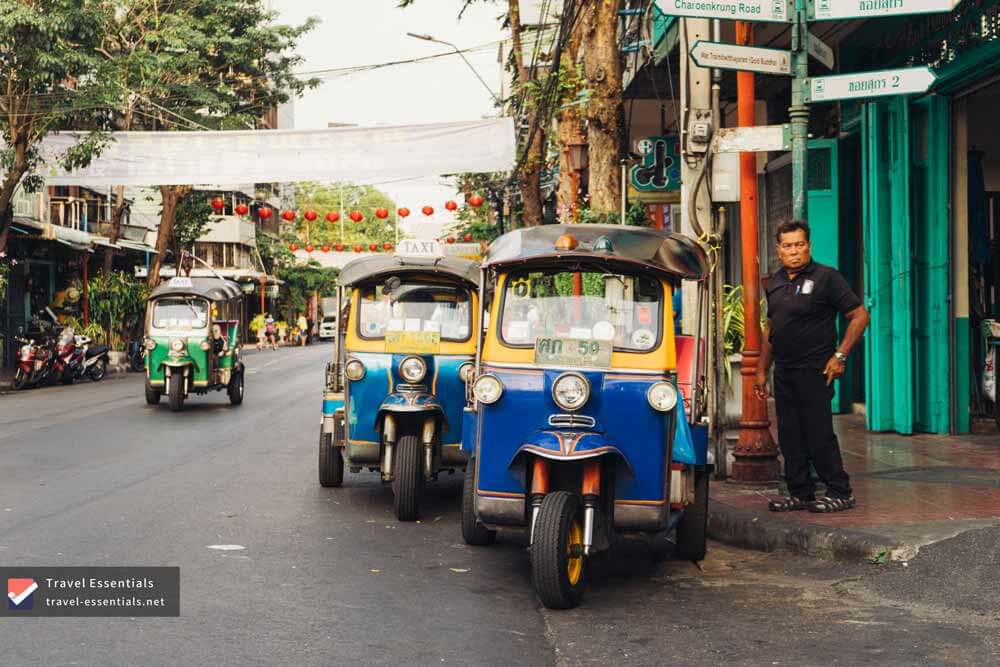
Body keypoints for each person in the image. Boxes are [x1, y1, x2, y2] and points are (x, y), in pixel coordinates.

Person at [754, 220, 870, 514]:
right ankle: (800, 492)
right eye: (788, 246)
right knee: (790, 435)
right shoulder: (776, 282)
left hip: (816, 369)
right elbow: (771, 328)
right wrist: (760, 370)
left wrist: (840, 356)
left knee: (817, 433)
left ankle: (840, 491)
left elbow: (859, 316)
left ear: (809, 246)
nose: (795, 251)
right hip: (785, 370)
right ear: (779, 250)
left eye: (800, 244)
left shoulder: (827, 277)